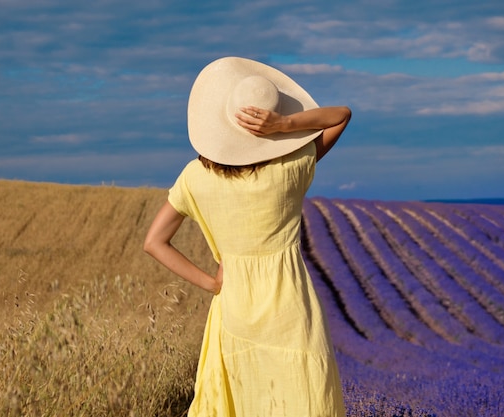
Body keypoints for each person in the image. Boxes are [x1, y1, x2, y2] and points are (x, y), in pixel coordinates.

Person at [144, 56, 351, 416]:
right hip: (293, 312)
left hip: (234, 310)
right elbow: (341, 115)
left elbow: (154, 242)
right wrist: (286, 124)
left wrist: (211, 283)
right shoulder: (292, 165)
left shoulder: (195, 177)